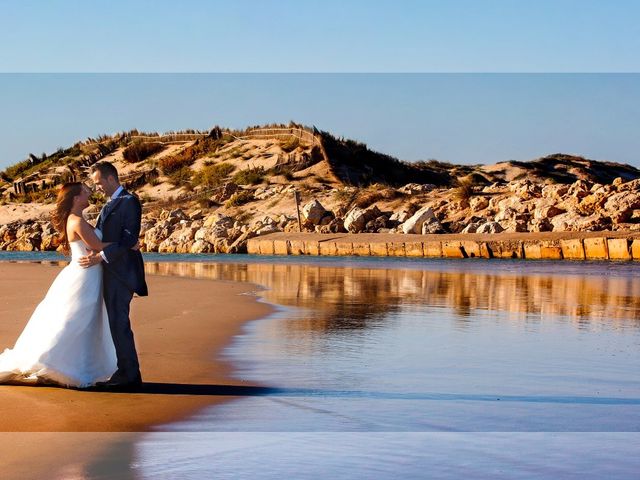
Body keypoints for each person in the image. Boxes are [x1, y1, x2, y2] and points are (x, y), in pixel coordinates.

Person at [0, 183, 118, 388]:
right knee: (73, 320)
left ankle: (76, 364)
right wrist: (128, 244)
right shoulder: (77, 222)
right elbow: (97, 247)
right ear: (75, 199)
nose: (89, 193)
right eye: (84, 191)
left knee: (84, 322)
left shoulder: (81, 220)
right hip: (83, 277)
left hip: (89, 274)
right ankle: (53, 362)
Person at [79, 161, 147, 390]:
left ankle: (129, 374)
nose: (97, 188)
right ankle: (125, 371)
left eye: (99, 183)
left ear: (110, 178)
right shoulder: (111, 203)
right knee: (115, 323)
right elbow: (105, 237)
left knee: (119, 322)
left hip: (122, 272)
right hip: (111, 272)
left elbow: (129, 239)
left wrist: (100, 257)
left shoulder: (129, 202)